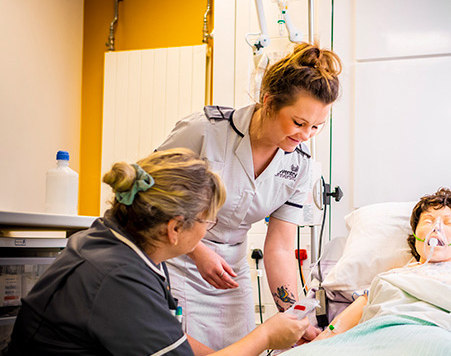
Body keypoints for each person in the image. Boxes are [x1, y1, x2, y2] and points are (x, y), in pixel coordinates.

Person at [5, 148, 309, 355]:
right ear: (174, 229)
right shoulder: (118, 277)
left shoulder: (119, 243)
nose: (209, 229)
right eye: (208, 221)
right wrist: (267, 336)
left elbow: (172, 340)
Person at [156, 42, 342, 349]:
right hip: (177, 260)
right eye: (298, 123)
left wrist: (294, 315)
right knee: (183, 350)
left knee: (242, 348)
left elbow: (280, 247)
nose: (306, 135)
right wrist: (198, 252)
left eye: (317, 127)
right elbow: (150, 194)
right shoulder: (205, 131)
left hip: (232, 272)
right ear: (269, 101)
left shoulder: (299, 163)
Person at [279, 188, 451, 356]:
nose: (435, 227)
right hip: (378, 339)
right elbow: (337, 329)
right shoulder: (390, 278)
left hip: (443, 340)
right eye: (428, 220)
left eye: (447, 222)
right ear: (416, 236)